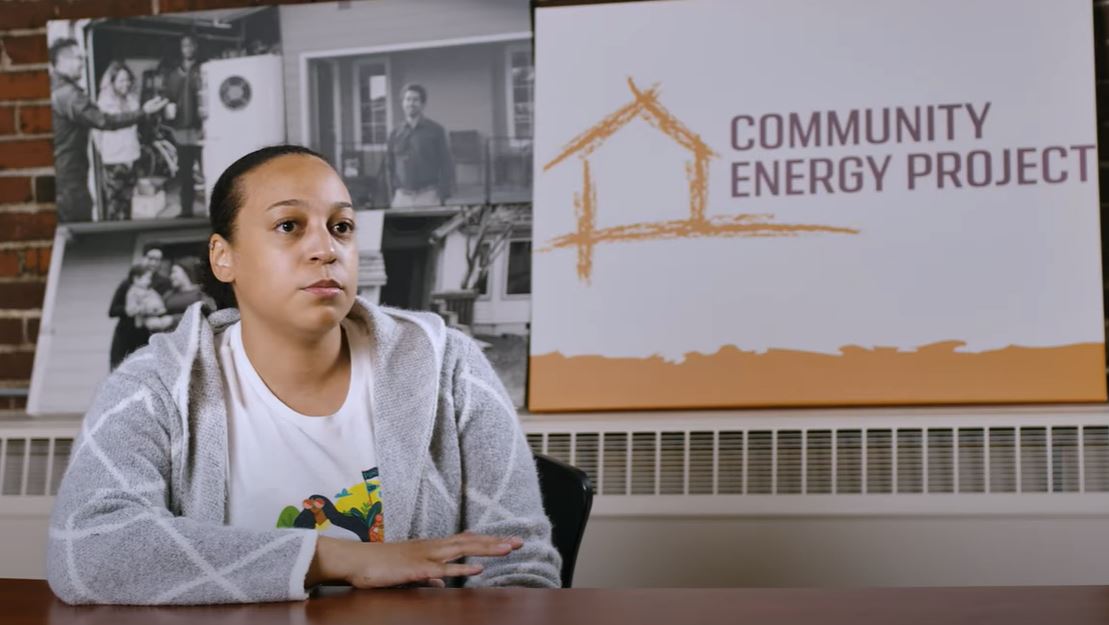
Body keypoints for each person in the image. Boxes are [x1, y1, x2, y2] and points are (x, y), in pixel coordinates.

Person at [47, 145, 560, 605]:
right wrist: (335, 558)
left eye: (341, 227)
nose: (326, 249)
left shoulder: (450, 366)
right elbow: (86, 549)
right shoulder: (154, 386)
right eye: (289, 225)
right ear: (223, 257)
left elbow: (519, 567)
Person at [50, 38, 168, 222]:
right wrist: (143, 112)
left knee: (125, 203)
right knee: (104, 211)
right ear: (63, 61)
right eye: (78, 58)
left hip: (75, 173)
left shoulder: (58, 89)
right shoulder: (69, 95)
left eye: (128, 79)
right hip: (74, 176)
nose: (83, 62)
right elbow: (103, 121)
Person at [384, 83, 454, 208]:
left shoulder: (436, 130)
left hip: (428, 195)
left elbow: (446, 163)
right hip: (401, 196)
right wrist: (391, 194)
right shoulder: (395, 133)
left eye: (415, 100)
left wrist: (443, 194)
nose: (411, 103)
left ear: (422, 104)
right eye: (408, 99)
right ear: (402, 103)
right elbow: (389, 166)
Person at [161, 33, 204, 218]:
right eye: (185, 45)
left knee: (208, 170)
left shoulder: (203, 69)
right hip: (181, 132)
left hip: (201, 131)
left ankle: (215, 207)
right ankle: (186, 211)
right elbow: (167, 98)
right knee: (185, 173)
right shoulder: (173, 74)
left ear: (196, 47)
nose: (188, 48)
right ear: (181, 48)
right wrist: (167, 109)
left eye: (191, 45)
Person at [92, 61, 142, 221]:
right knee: (114, 205)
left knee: (128, 203)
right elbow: (96, 134)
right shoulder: (103, 103)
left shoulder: (133, 100)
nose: (125, 84)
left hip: (132, 157)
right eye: (121, 80)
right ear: (112, 82)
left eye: (127, 80)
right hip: (114, 160)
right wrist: (107, 152)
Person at [107, 248, 172, 369]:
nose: (153, 263)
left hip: (148, 336)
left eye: (157, 259)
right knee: (119, 370)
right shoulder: (128, 282)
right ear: (144, 258)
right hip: (125, 335)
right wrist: (133, 309)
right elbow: (113, 310)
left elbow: (166, 308)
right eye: (150, 258)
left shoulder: (165, 283)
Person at [125, 265, 174, 332]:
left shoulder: (149, 290)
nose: (150, 281)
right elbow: (130, 311)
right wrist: (144, 308)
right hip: (145, 318)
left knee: (168, 321)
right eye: (147, 278)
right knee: (155, 324)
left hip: (158, 314)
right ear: (136, 279)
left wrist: (160, 307)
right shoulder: (133, 292)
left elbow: (158, 299)